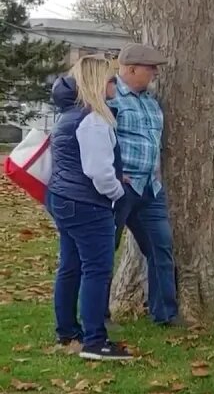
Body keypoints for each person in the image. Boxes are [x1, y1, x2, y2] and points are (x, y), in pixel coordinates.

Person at [47, 56, 131, 361]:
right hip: (88, 204)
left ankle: (67, 331)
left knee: (70, 266)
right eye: (111, 79)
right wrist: (117, 191)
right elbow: (98, 172)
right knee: (96, 269)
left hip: (64, 199)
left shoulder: (69, 117)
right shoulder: (93, 119)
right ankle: (95, 339)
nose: (115, 85)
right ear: (98, 83)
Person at [110, 44, 181, 327]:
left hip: (150, 188)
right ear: (129, 69)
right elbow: (97, 140)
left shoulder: (150, 100)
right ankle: (98, 315)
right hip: (120, 189)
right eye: (149, 67)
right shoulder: (111, 97)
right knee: (104, 250)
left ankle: (165, 313)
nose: (154, 72)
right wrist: (114, 174)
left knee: (161, 248)